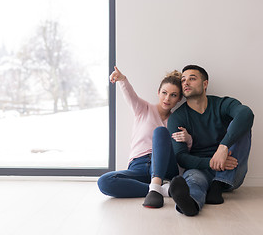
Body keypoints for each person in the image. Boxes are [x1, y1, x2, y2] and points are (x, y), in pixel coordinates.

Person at [97, 66, 192, 208]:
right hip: (138, 166)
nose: (167, 98)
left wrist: (188, 139)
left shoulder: (177, 121)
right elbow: (131, 96)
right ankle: (161, 189)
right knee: (104, 182)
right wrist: (122, 79)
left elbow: (182, 153)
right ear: (158, 92)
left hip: (165, 167)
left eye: (173, 95)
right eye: (164, 93)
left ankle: (156, 187)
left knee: (160, 132)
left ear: (179, 99)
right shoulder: (144, 109)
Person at [167, 65, 254, 216]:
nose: (186, 83)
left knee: (242, 124)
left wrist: (223, 147)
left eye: (192, 78)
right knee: (194, 181)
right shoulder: (177, 117)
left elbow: (246, 113)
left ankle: (218, 185)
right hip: (200, 169)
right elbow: (181, 157)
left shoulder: (221, 104)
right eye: (183, 80)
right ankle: (190, 204)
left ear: (205, 84)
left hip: (231, 168)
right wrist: (211, 162)